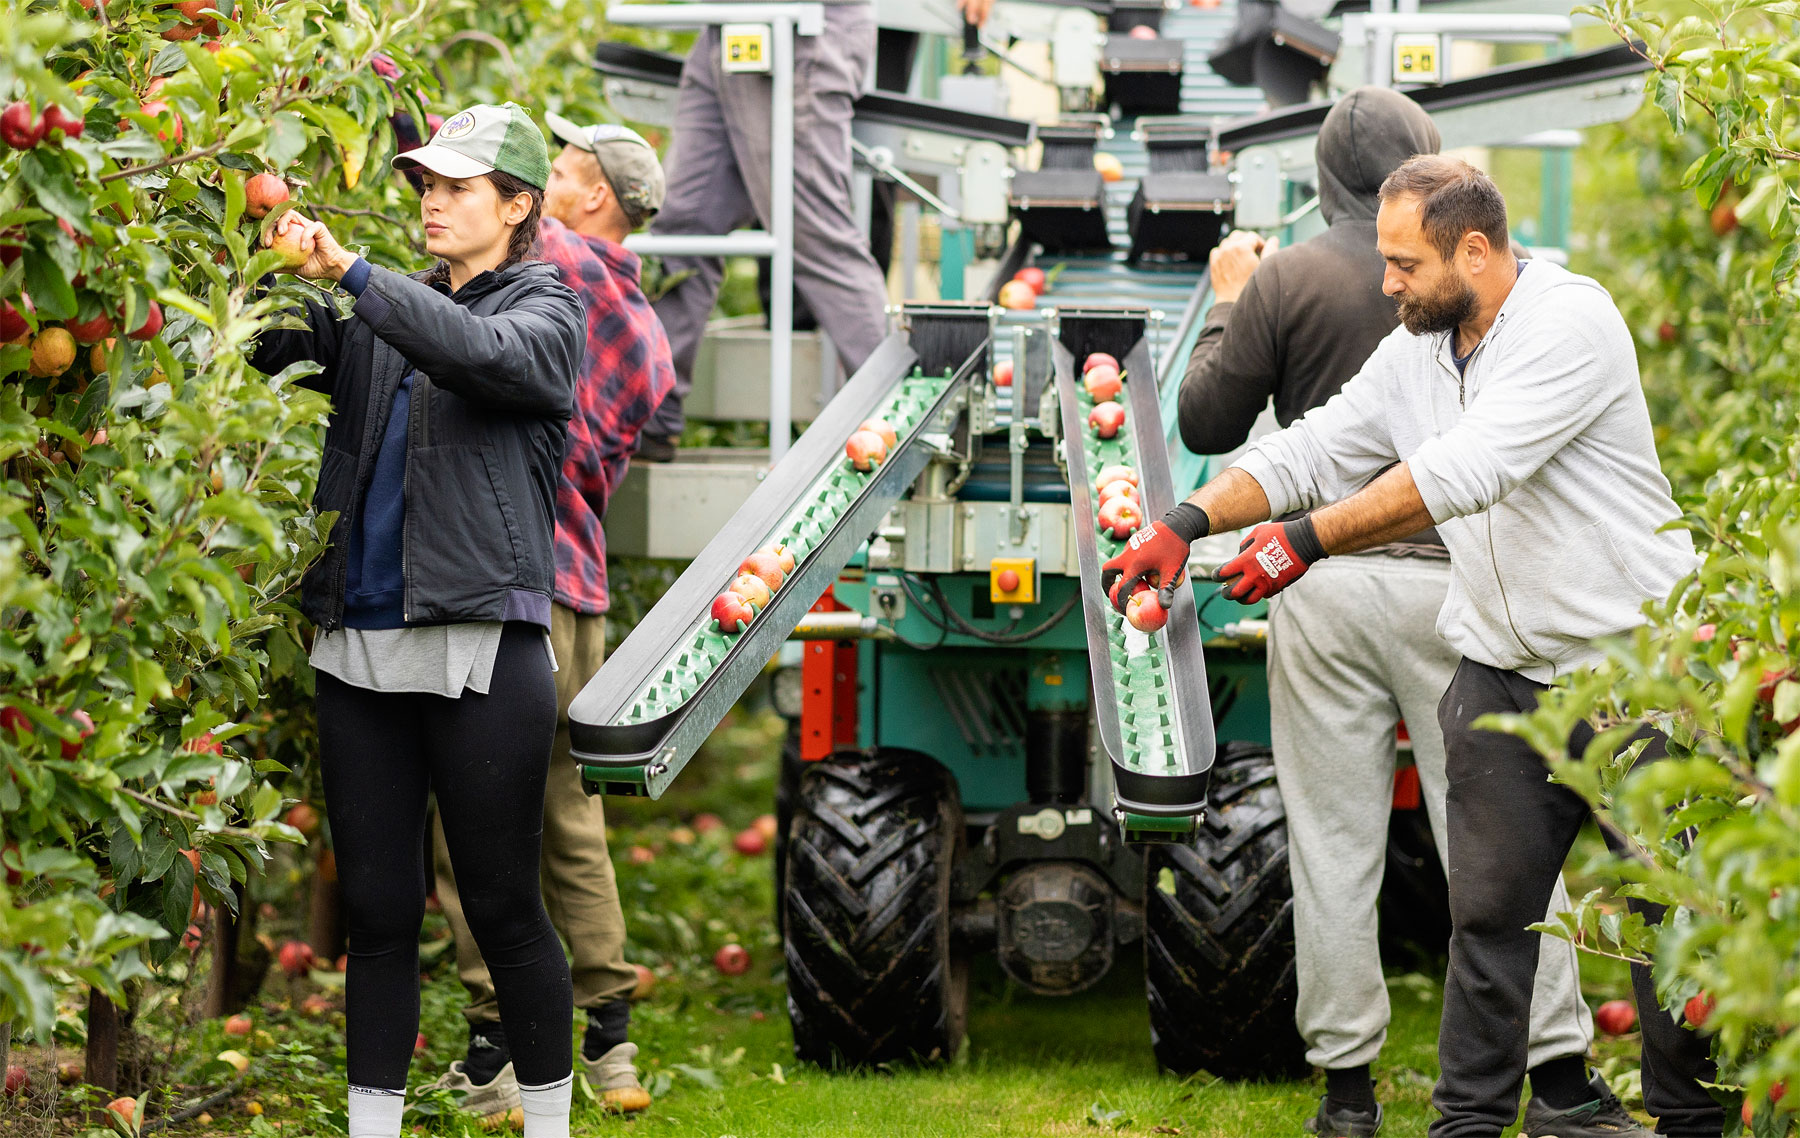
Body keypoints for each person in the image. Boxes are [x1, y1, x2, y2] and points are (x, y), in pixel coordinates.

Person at [1105, 154, 1722, 1138]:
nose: (1385, 283)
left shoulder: (1571, 323)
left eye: (1403, 263)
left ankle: (1696, 1124)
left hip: (1630, 668)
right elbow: (1316, 443)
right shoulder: (1421, 347)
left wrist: (1303, 540)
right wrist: (1187, 516)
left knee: (1669, 918)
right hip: (1504, 673)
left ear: (1474, 251)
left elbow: (1465, 471)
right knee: (1488, 924)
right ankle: (1467, 1125)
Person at [1177, 89, 1597, 1138]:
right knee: (1501, 846)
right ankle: (1558, 1075)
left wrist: (1231, 297)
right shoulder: (1475, 280)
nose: (1389, 276)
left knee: (1331, 841)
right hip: (1449, 590)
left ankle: (1348, 1092)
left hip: (1317, 587)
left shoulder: (1289, 277)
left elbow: (1209, 417)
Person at [252, 103, 583, 1138]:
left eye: (457, 187)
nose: (432, 201)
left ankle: (551, 1125)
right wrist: (266, 253)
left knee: (502, 907)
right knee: (381, 915)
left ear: (517, 205)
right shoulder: (379, 317)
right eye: (425, 186)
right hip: (359, 646)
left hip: (482, 644)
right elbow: (280, 346)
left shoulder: (545, 310)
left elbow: (480, 354)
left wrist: (352, 273)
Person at [423, 113, 675, 1124]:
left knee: (473, 817)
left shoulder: (552, 269)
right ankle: (611, 1041)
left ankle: (492, 1046)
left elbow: (475, 229)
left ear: (582, 201)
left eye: (552, 173)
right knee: (572, 814)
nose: (534, 182)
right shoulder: (646, 330)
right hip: (580, 587)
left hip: (506, 581)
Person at [638, 0, 990, 459]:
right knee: (682, 225)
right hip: (730, 26)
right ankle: (654, 417)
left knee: (813, 233)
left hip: (803, 29)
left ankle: (909, 424)